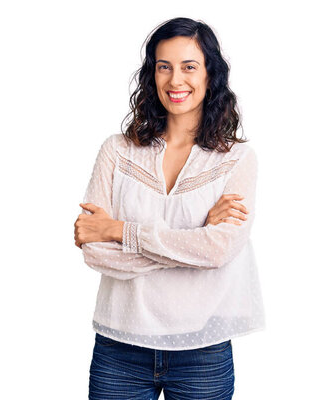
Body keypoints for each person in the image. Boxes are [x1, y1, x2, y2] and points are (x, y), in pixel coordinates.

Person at [73, 17, 265, 400]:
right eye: (164, 67)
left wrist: (118, 231)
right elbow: (95, 252)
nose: (176, 80)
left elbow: (219, 251)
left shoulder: (237, 159)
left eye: (189, 66)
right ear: (152, 74)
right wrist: (194, 242)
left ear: (211, 74)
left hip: (203, 349)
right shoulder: (117, 150)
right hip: (119, 346)